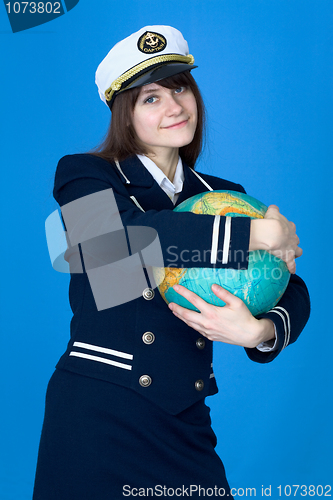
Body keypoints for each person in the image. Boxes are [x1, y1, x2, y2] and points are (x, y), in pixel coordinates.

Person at [33, 25, 310, 499]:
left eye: (179, 87)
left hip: (184, 418)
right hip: (97, 419)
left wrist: (260, 333)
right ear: (124, 113)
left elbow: (289, 287)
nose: (174, 107)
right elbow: (107, 244)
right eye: (150, 99)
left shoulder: (223, 197)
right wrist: (254, 233)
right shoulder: (86, 175)